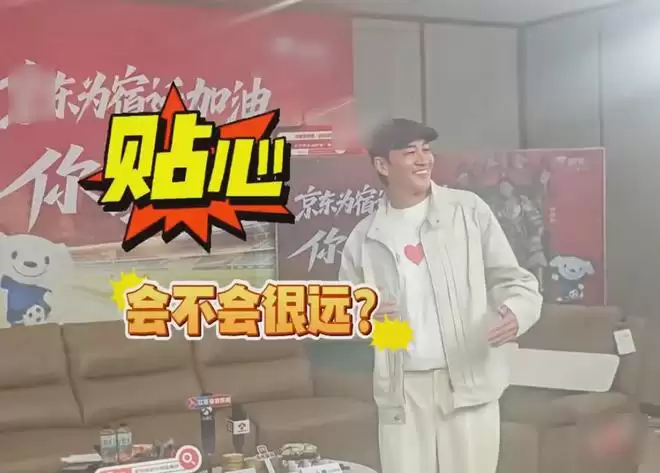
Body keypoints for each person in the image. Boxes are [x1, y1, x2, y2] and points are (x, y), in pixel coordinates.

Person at [338, 118, 543, 473]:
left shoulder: (467, 211)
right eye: (410, 152)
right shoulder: (365, 237)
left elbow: (515, 281)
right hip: (400, 389)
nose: (423, 160)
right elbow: (346, 314)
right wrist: (363, 317)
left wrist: (515, 312)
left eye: (426, 150)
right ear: (382, 165)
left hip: (466, 380)